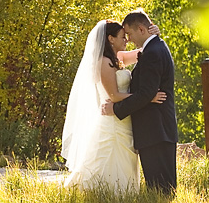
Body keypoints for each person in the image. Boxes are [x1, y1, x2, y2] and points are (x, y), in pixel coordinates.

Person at [61, 19, 166, 193]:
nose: (126, 40)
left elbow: (146, 50)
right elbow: (114, 96)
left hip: (125, 120)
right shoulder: (103, 62)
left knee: (126, 158)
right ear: (110, 39)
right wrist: (147, 98)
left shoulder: (119, 57)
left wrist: (154, 33)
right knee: (110, 158)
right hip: (112, 121)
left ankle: (126, 195)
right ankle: (107, 194)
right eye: (122, 37)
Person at [101, 10, 178, 194]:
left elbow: (145, 94)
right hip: (155, 129)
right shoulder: (153, 48)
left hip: (155, 129)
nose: (128, 39)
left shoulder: (152, 52)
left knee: (160, 188)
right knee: (160, 187)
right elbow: (144, 93)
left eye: (130, 34)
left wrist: (116, 109)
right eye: (124, 36)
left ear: (142, 29)